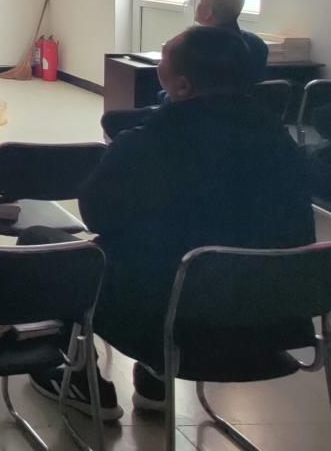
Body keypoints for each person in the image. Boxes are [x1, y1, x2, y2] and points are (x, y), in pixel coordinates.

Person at [28, 26, 315, 420]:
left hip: (168, 322)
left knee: (43, 243)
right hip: (271, 321)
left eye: (163, 60)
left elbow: (96, 216)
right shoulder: (284, 146)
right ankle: (153, 379)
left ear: (181, 86)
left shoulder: (146, 145)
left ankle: (83, 379)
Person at [100, 0, 268, 138]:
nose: (197, 5)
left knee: (113, 120)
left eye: (201, 2)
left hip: (193, 116)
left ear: (208, 13)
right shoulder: (256, 43)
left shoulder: (196, 45)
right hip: (241, 116)